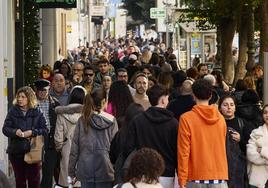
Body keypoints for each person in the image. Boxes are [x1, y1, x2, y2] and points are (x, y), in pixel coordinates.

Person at [123, 84, 178, 188]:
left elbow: (128, 148)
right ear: (162, 100)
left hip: (142, 174)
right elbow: (177, 150)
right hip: (167, 174)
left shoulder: (137, 120)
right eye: (167, 98)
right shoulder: (173, 123)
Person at [177, 79, 228, 188]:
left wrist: (182, 178)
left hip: (195, 176)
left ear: (193, 95)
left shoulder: (186, 119)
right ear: (210, 96)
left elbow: (183, 152)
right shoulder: (221, 119)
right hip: (219, 175)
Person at [68, 89, 118, 188]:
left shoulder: (82, 120)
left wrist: (71, 172)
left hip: (85, 169)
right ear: (104, 101)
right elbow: (116, 147)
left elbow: (74, 149)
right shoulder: (112, 120)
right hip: (106, 168)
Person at [2, 86, 47, 188]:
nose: (19, 99)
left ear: (29, 98)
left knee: (34, 180)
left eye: (23, 97)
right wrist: (15, 131)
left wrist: (32, 132)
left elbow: (44, 130)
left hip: (33, 151)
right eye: (18, 96)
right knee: (20, 180)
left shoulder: (37, 112)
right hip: (16, 151)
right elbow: (5, 129)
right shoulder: (12, 111)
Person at [54, 86, 86, 187]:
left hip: (67, 148)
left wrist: (60, 148)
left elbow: (58, 137)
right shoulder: (88, 114)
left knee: (67, 181)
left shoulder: (61, 114)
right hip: (84, 149)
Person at [34, 79, 61, 188]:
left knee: (48, 171)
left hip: (51, 140)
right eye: (40, 90)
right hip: (35, 139)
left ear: (49, 90)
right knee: (33, 171)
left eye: (45, 90)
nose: (42, 93)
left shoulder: (55, 103)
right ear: (36, 90)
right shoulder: (31, 103)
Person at [218, 95, 247, 187]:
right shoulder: (216, 123)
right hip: (220, 166)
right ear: (220, 108)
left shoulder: (242, 123)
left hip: (238, 167)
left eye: (231, 104)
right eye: (225, 105)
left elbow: (249, 146)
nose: (229, 107)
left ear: (235, 108)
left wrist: (240, 139)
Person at [247, 104, 268, 188]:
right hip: (258, 178)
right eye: (265, 113)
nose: (267, 115)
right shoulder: (256, 132)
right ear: (262, 115)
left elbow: (259, 153)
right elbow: (250, 154)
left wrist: (262, 150)